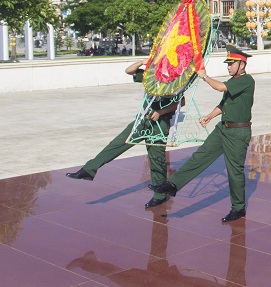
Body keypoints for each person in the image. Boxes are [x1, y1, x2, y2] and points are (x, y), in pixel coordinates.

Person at [150, 45, 255, 222]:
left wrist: (204, 76)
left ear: (242, 64)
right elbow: (224, 104)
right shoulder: (234, 82)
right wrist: (209, 116)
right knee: (200, 156)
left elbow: (220, 88)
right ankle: (173, 184)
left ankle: (238, 208)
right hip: (223, 129)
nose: (228, 66)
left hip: (238, 133)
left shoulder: (246, 80)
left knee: (234, 171)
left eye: (231, 63)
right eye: (227, 64)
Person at [66, 59, 180, 209]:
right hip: (143, 121)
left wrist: (160, 112)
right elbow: (129, 71)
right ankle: (89, 169)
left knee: (156, 159)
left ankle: (159, 195)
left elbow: (179, 103)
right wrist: (142, 62)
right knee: (118, 143)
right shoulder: (150, 76)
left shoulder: (175, 81)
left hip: (160, 124)